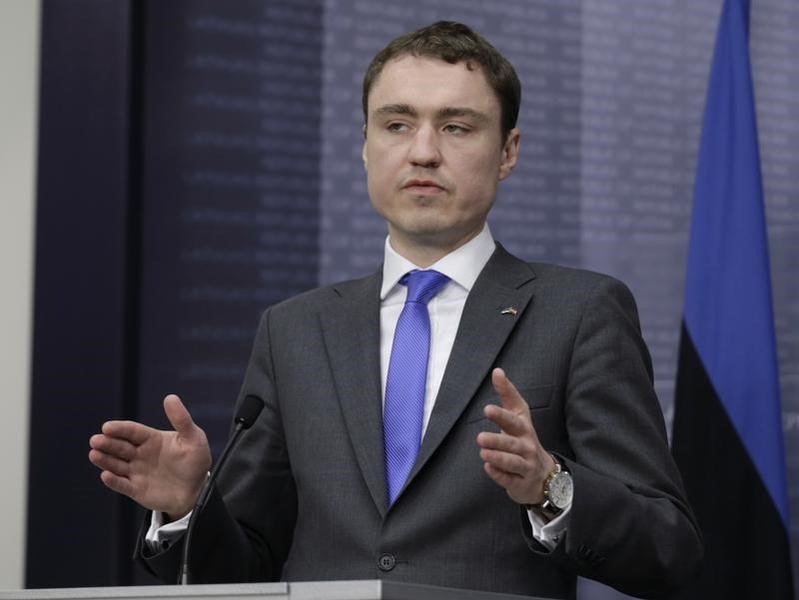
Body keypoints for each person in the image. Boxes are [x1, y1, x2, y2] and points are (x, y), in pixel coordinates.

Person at [89, 21, 702, 599]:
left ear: (508, 152)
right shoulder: (295, 330)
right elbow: (245, 566)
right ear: (364, 146)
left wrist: (550, 486)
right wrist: (188, 508)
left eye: (457, 127)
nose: (424, 152)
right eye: (397, 124)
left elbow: (668, 550)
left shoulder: (581, 311)